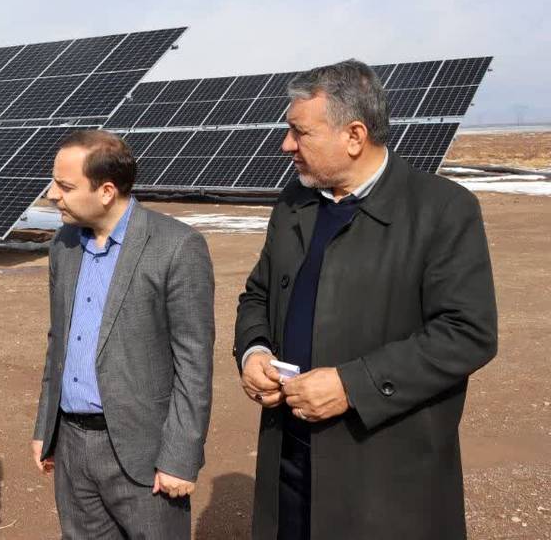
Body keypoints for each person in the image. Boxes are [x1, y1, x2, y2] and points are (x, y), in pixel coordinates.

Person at [234, 59, 498, 540]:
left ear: (354, 136)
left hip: (384, 480)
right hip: (291, 462)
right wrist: (254, 350)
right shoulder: (294, 203)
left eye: (300, 132)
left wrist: (353, 385)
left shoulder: (442, 209)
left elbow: (467, 333)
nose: (286, 144)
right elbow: (259, 293)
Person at [32, 129, 215, 539]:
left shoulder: (176, 246)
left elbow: (194, 363)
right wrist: (46, 428)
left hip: (144, 454)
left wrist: (180, 457)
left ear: (106, 191)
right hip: (73, 447)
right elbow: (58, 343)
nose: (52, 195)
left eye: (65, 186)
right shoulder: (64, 244)